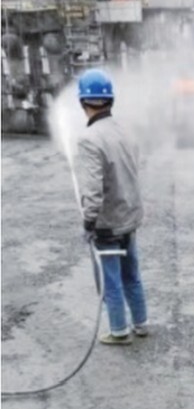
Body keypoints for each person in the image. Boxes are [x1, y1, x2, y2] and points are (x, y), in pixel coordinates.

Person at [76, 68, 148, 345]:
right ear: (110, 100)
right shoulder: (125, 130)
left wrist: (88, 222)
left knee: (110, 279)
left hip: (108, 223)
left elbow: (93, 190)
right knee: (132, 273)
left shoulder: (89, 139)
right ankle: (141, 323)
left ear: (84, 103)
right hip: (130, 215)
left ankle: (119, 331)